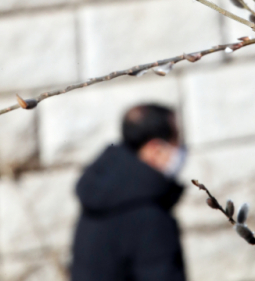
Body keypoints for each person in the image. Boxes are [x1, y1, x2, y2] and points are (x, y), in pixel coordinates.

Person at [70, 103, 187, 281]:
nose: (180, 147)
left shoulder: (100, 193)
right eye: (176, 138)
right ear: (155, 149)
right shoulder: (150, 216)